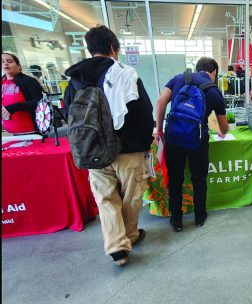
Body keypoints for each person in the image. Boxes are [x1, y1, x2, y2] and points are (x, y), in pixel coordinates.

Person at [63, 25, 154, 266]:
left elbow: (68, 115)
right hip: (127, 149)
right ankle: (131, 235)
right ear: (113, 48)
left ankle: (116, 248)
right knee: (131, 197)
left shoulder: (74, 79)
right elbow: (143, 113)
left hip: (93, 151)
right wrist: (147, 141)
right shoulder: (124, 73)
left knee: (105, 199)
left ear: (90, 48)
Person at [155, 57, 228, 232]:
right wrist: (220, 131)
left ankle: (177, 220)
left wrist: (159, 129)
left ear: (197, 69)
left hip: (174, 139)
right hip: (198, 141)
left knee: (175, 180)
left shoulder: (179, 78)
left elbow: (160, 102)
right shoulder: (214, 91)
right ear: (214, 72)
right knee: (199, 179)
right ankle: (199, 216)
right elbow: (223, 126)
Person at [2, 52, 43, 134]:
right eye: (2, 61)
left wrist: (13, 107)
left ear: (18, 66)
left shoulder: (29, 81)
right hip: (8, 132)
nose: (5, 63)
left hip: (31, 131)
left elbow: (39, 103)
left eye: (9, 61)